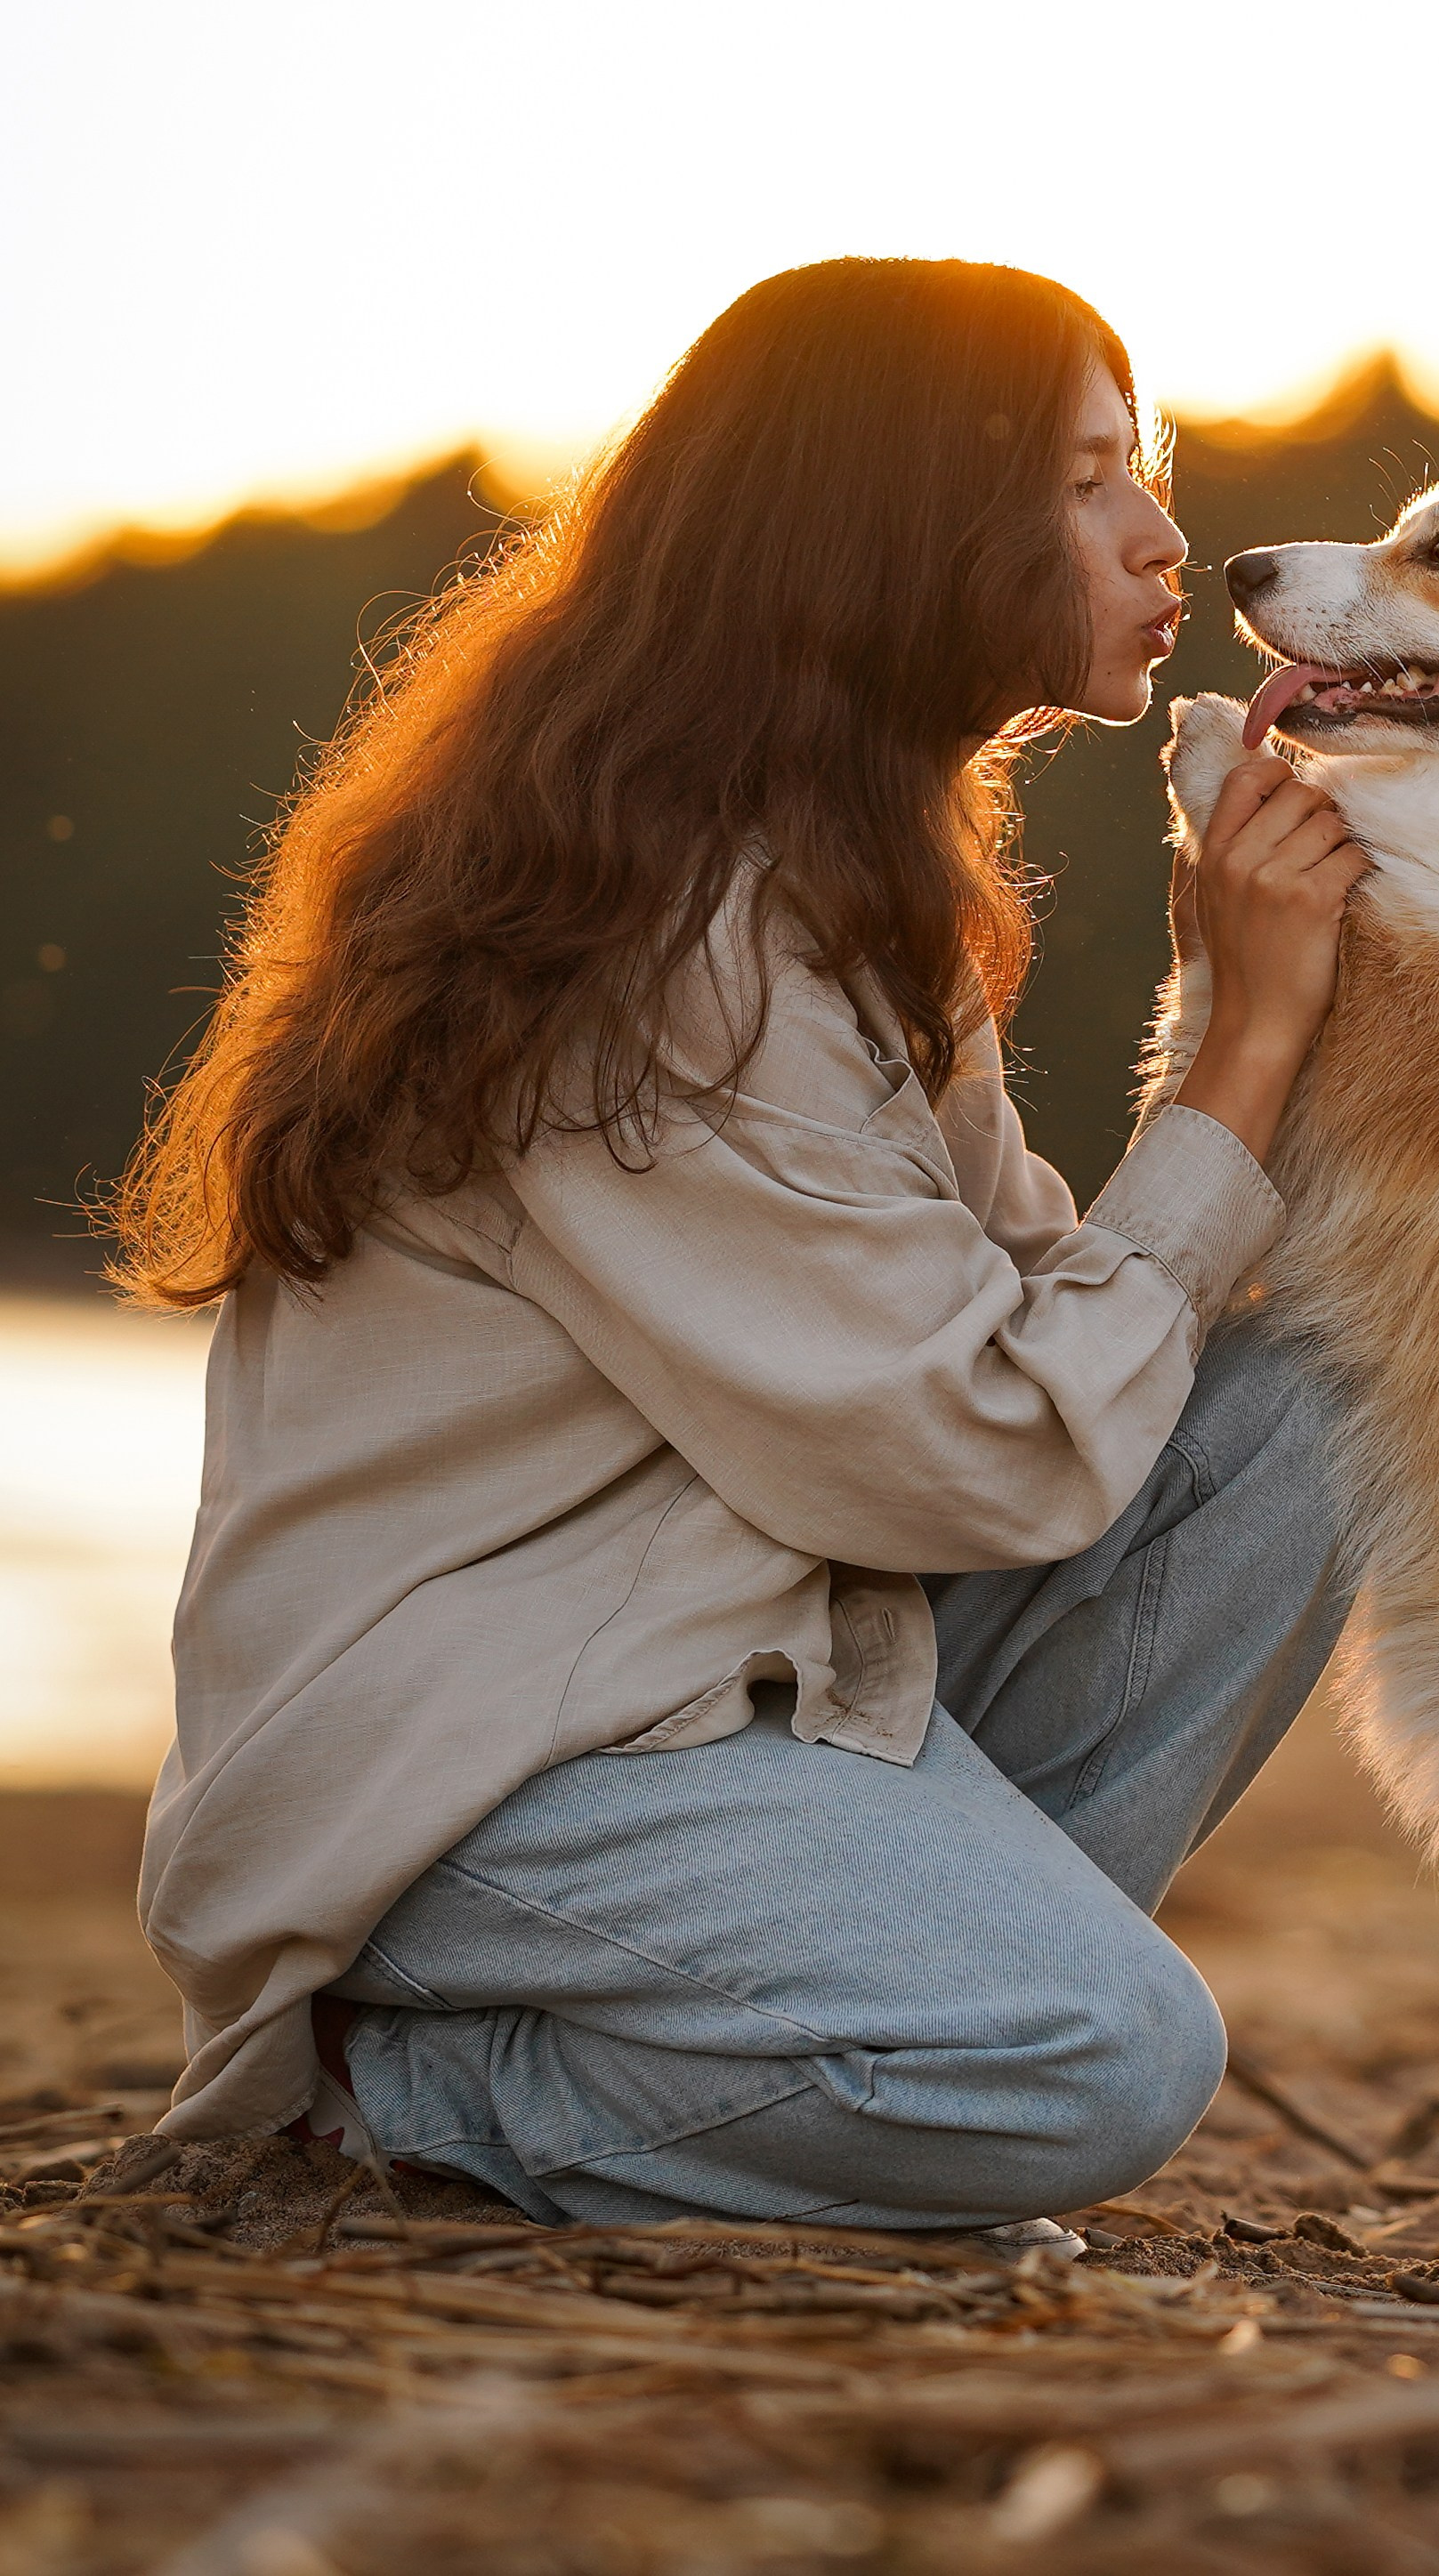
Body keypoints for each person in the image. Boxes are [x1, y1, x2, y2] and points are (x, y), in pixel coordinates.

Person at [116, 257, 1366, 2241]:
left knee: (1315, 1405)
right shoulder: (657, 941)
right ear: (895, 528)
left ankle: (877, 2063)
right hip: (492, 1766)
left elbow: (1052, 1349)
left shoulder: (840, 887)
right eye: (1089, 478)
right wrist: (1248, 1040)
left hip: (755, 1677)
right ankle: (397, 2083)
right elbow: (983, 1448)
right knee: (1106, 2058)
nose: (1161, 534)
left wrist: (1239, 1004)